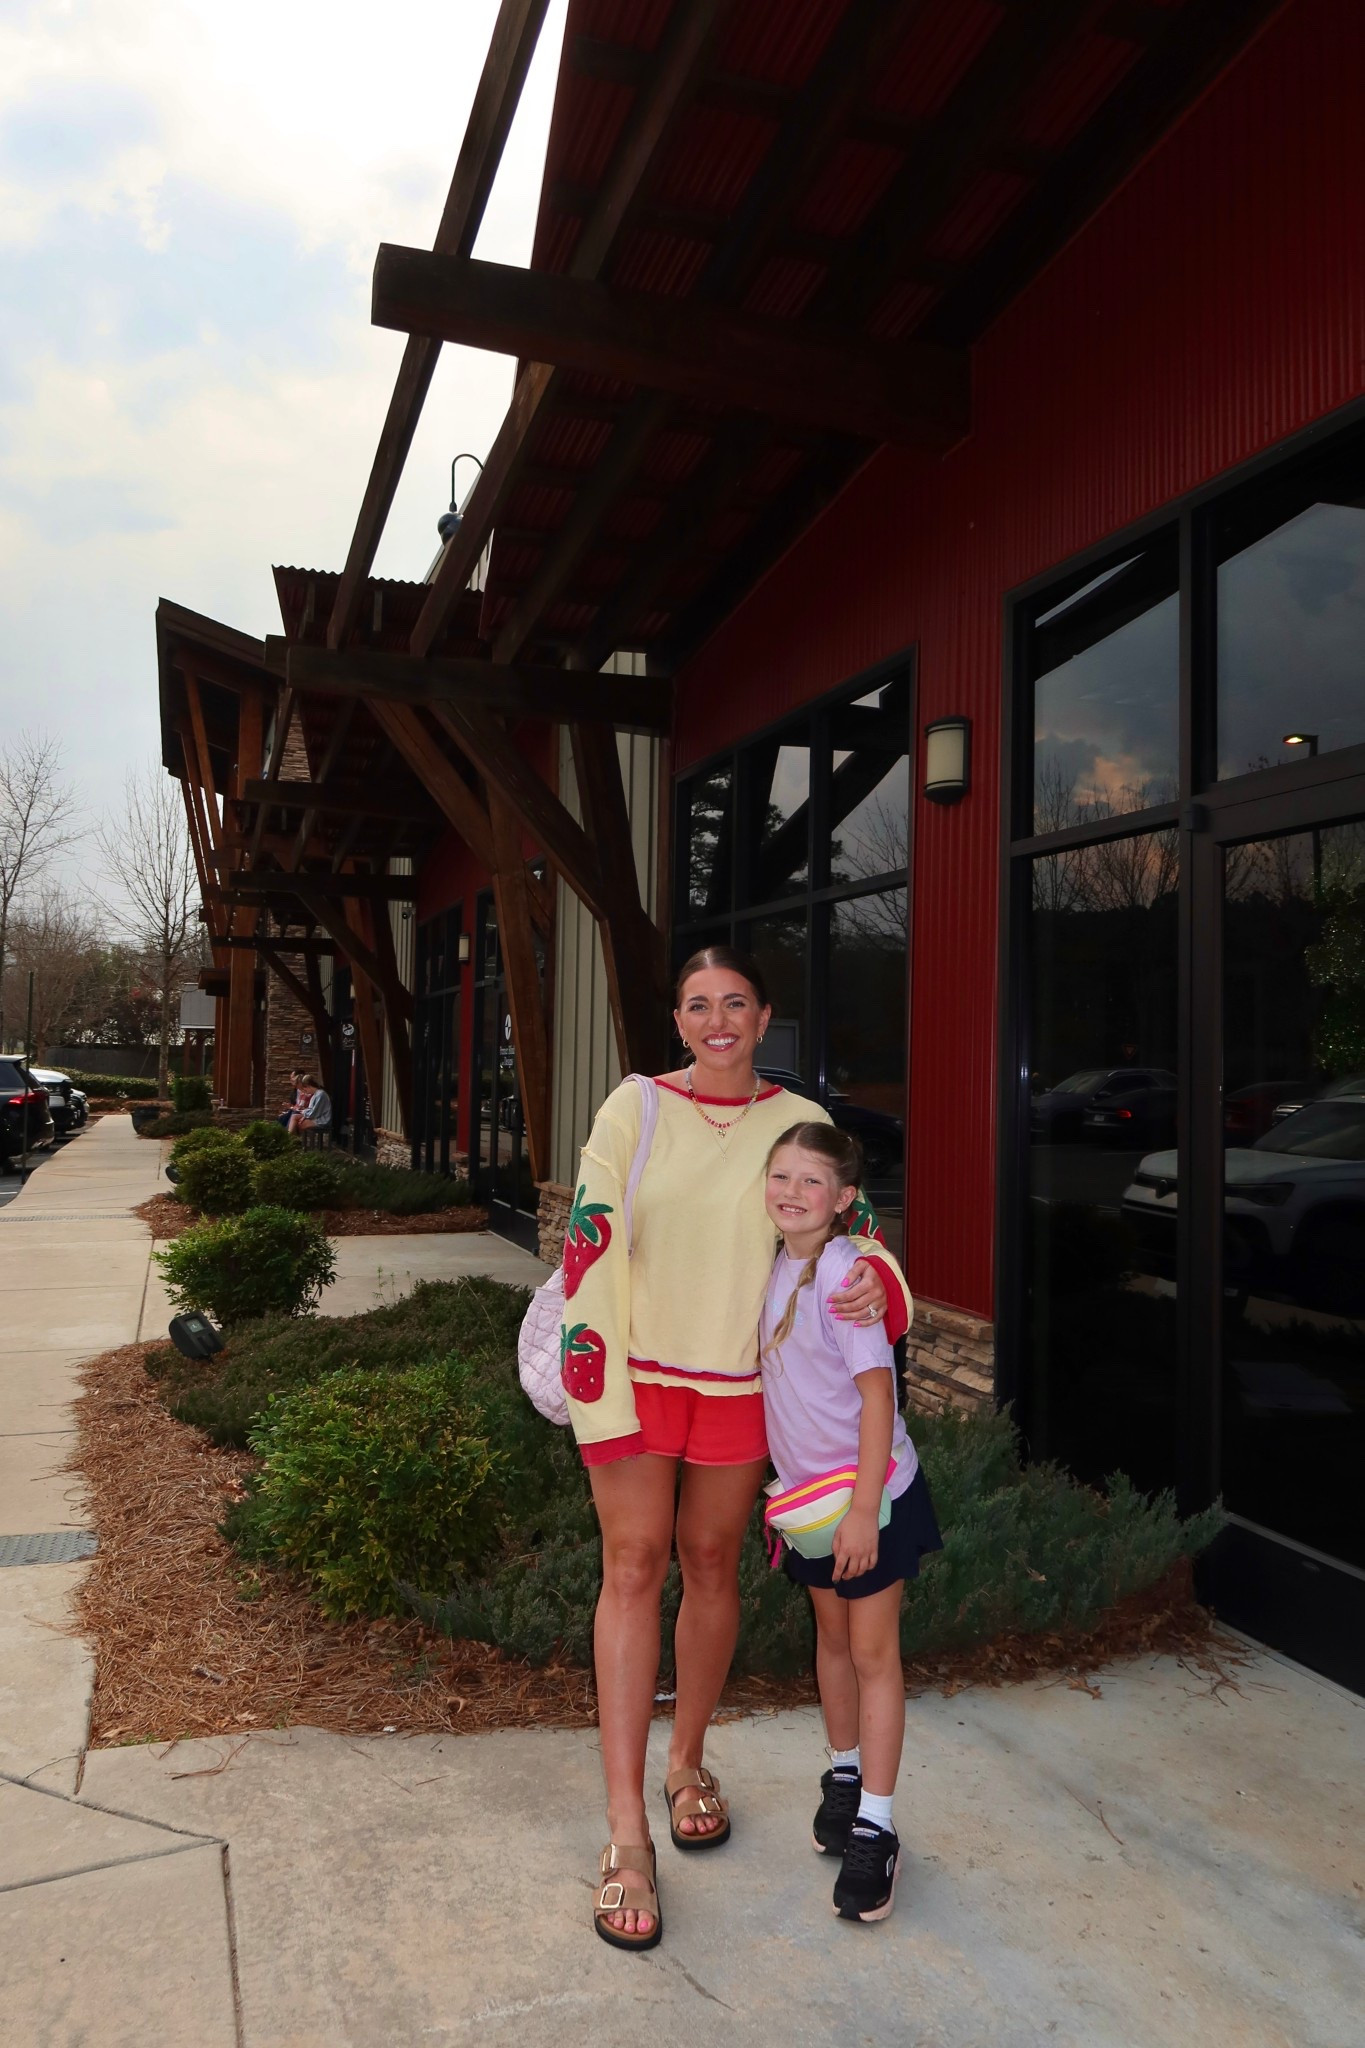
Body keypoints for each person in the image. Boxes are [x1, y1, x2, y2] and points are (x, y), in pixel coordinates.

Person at [561, 944, 912, 1952]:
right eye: (698, 1003)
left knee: (712, 1564)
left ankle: (687, 1762)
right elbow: (588, 1240)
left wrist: (877, 1285)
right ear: (677, 1019)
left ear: (765, 1018)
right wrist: (602, 1396)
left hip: (739, 1390)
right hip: (635, 1378)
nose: (718, 1018)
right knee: (632, 1567)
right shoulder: (636, 1106)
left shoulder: (800, 1125)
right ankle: (627, 1831)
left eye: (737, 1003)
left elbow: (867, 1242)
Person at [759, 1122, 942, 1924]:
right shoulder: (772, 1267)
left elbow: (878, 1398)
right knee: (829, 1644)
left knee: (872, 1655)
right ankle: (842, 1776)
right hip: (811, 1508)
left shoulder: (843, 1277)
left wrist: (866, 1512)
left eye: (810, 1182)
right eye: (779, 1177)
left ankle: (877, 1823)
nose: (791, 1193)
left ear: (841, 1201)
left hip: (872, 1500)